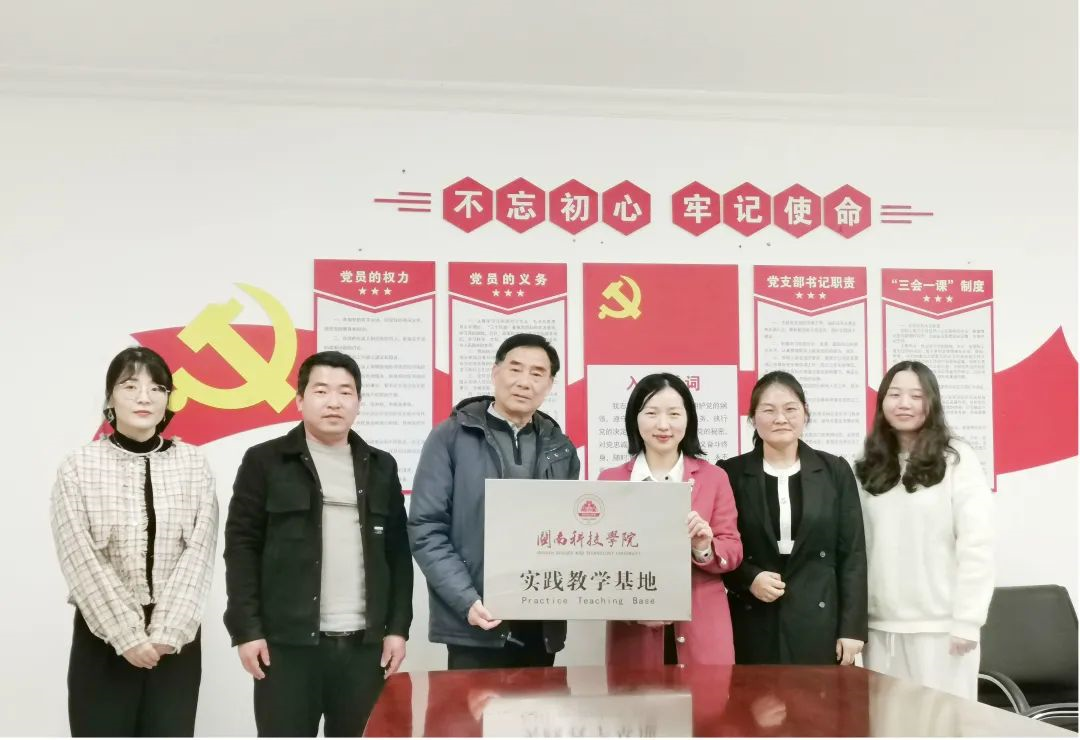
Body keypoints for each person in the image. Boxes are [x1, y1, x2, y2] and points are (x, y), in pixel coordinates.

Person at [224, 351, 412, 736]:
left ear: (358, 402)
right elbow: (241, 548)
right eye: (321, 390)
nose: (334, 402)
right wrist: (247, 630)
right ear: (300, 399)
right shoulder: (265, 461)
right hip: (287, 647)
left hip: (365, 649)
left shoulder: (381, 466)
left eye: (345, 392)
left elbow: (397, 553)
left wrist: (397, 628)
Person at [50, 346, 218, 736]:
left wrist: (166, 635)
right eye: (130, 386)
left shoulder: (193, 465)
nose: (145, 397)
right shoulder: (79, 466)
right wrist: (126, 637)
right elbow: (79, 557)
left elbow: (200, 554)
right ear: (110, 398)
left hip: (174, 642)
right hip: (102, 635)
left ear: (167, 400)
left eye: (157, 388)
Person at [409, 333, 581, 669]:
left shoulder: (561, 447)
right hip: (475, 622)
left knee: (540, 704)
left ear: (549, 385)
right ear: (495, 372)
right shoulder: (450, 437)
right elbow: (426, 528)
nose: (524, 382)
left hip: (540, 626)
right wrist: (466, 600)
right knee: (471, 706)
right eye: (515, 369)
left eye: (537, 373)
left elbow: (570, 533)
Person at [855, 360, 994, 699]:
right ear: (882, 402)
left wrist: (967, 621)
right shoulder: (866, 463)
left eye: (916, 396)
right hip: (880, 629)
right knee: (887, 724)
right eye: (895, 394)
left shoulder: (956, 459)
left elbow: (977, 543)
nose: (904, 404)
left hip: (942, 631)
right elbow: (858, 547)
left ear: (932, 402)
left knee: (945, 723)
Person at [718, 370, 867, 665]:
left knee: (815, 695)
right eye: (768, 410)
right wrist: (748, 579)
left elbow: (852, 553)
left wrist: (852, 629)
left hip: (819, 622)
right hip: (752, 617)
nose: (780, 419)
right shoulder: (730, 473)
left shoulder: (834, 471)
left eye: (790, 409)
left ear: (805, 413)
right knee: (753, 694)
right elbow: (720, 546)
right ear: (752, 418)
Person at [597, 373, 742, 667]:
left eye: (674, 414)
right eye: (651, 413)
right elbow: (599, 560)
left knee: (707, 697)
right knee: (635, 696)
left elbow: (733, 549)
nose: (663, 425)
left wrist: (703, 547)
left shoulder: (714, 478)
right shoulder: (610, 481)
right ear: (634, 419)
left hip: (702, 627)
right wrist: (631, 609)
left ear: (688, 419)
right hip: (633, 633)